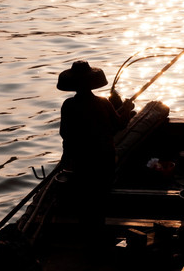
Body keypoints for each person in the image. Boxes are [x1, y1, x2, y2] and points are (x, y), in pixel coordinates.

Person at [57, 61, 134, 245]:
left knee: (85, 198)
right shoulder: (103, 103)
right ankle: (98, 235)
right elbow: (119, 125)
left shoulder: (68, 105)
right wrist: (128, 109)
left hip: (81, 161)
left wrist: (66, 158)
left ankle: (88, 236)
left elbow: (65, 134)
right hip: (104, 159)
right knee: (100, 196)